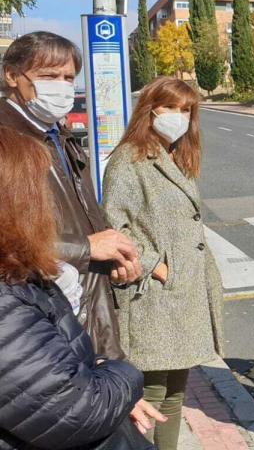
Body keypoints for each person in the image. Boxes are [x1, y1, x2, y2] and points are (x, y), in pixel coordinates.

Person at [0, 126, 164, 449]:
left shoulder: (17, 275)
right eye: (37, 190)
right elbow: (79, 407)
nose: (47, 203)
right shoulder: (8, 301)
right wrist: (122, 374)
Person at [0, 31, 141, 360]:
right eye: (48, 76)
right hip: (36, 325)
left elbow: (81, 219)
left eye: (68, 77)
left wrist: (109, 260)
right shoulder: (8, 142)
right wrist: (88, 248)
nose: (61, 86)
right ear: (11, 75)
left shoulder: (58, 136)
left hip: (82, 307)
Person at [102, 77, 225, 450]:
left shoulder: (176, 155)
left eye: (187, 110)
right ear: (150, 109)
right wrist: (158, 267)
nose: (179, 116)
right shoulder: (131, 159)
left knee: (175, 393)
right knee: (150, 394)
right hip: (152, 296)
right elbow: (113, 226)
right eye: (171, 107)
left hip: (181, 294)